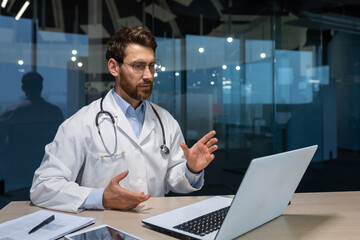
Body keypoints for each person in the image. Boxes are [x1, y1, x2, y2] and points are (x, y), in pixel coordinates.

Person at [30, 26, 218, 213]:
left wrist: (191, 170)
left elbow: (173, 180)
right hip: (104, 229)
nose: (148, 75)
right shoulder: (80, 124)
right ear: (114, 67)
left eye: (151, 66)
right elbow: (43, 186)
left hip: (154, 227)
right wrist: (101, 197)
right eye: (138, 66)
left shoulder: (166, 121)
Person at [0, 72, 64, 192]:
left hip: (18, 172)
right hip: (47, 167)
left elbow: (2, 142)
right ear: (41, 87)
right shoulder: (54, 112)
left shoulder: (13, 113)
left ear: (23, 88)